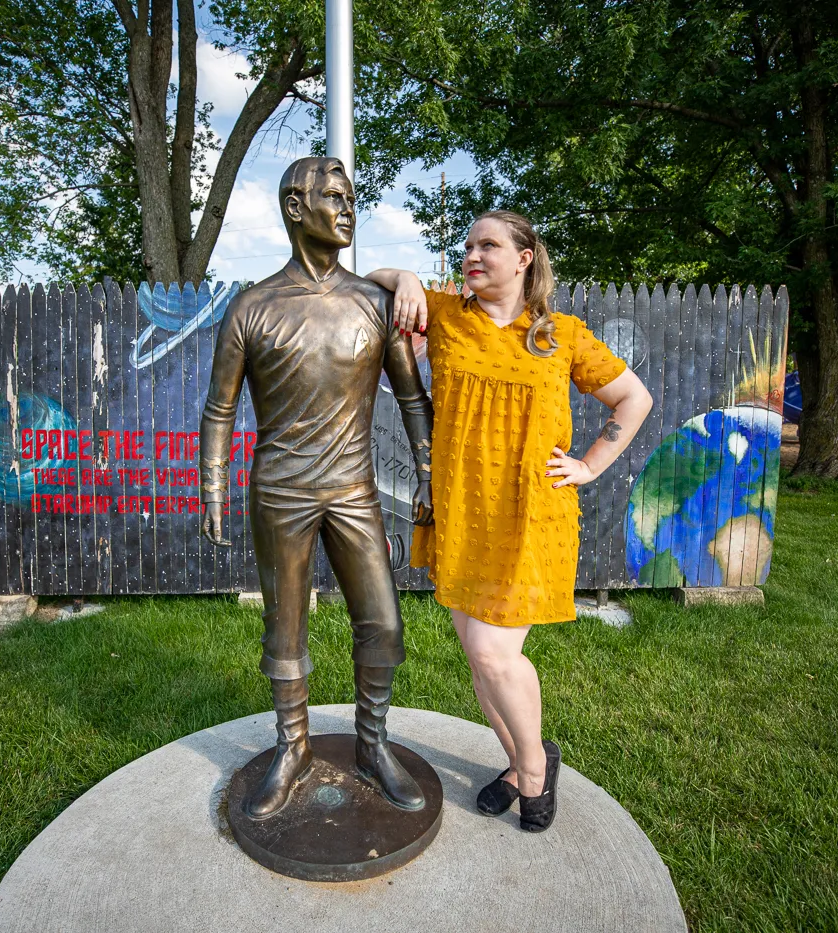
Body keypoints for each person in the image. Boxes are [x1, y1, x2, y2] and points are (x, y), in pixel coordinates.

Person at [366, 210, 653, 832]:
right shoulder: (445, 316)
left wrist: (590, 465)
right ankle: (525, 760)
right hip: (463, 512)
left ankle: (531, 771)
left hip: (531, 517)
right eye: (467, 245)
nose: (473, 254)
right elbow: (369, 275)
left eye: (488, 245)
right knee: (477, 656)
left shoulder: (563, 335)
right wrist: (407, 276)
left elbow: (634, 399)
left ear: (525, 258)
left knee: (496, 654)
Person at [199, 157, 435, 819]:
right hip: (280, 492)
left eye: (351, 196)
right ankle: (292, 747)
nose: (348, 206)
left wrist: (427, 470)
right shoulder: (252, 307)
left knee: (384, 625)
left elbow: (412, 397)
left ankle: (372, 743)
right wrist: (211, 484)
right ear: (295, 207)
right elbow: (219, 408)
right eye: (334, 195)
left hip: (353, 490)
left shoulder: (374, 303)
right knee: (285, 632)